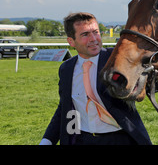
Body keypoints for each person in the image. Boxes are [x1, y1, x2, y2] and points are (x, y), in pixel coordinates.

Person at [40, 12, 151, 145]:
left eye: (96, 32)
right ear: (71, 41)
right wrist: (47, 141)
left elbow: (152, 83)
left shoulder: (117, 59)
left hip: (120, 138)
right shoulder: (66, 69)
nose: (93, 39)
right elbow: (65, 107)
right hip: (81, 139)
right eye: (85, 34)